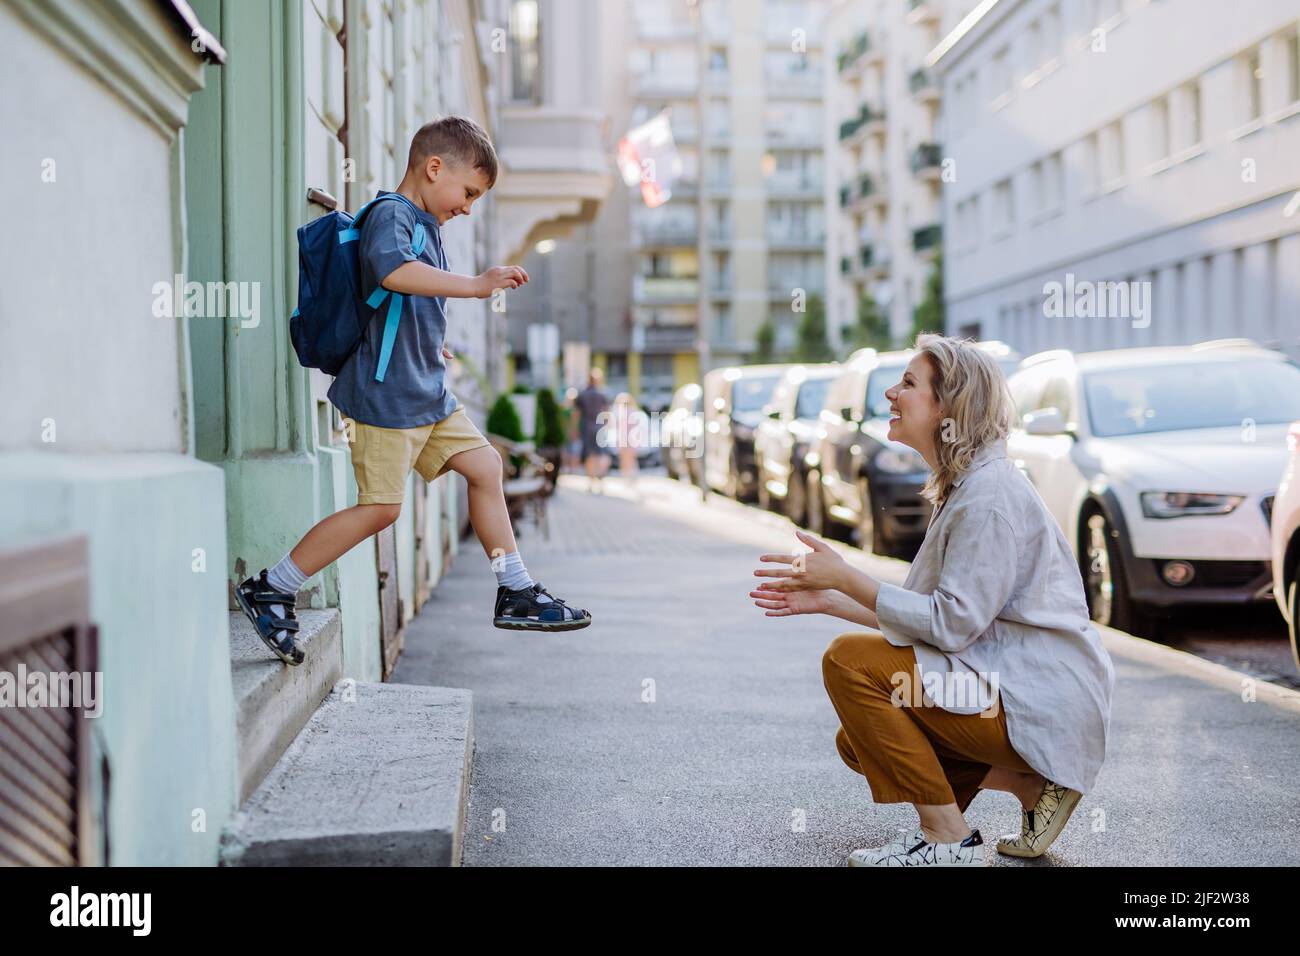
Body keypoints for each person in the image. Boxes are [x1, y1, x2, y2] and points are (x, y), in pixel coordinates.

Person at [234, 116, 592, 667]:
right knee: (380, 509)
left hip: (425, 390)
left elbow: (410, 302)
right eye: (468, 191)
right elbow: (392, 272)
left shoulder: (428, 227)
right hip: (386, 398)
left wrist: (433, 342)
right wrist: (476, 286)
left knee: (486, 467)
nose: (469, 205)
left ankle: (513, 586)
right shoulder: (392, 213)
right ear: (432, 168)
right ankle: (273, 586)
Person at [750, 333, 1115, 867]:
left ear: (950, 406)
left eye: (909, 384)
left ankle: (948, 837)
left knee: (849, 663)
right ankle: (1030, 786)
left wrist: (849, 578)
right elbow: (927, 615)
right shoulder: (970, 484)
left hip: (1036, 698)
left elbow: (948, 626)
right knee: (859, 741)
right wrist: (830, 597)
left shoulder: (988, 497)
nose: (891, 395)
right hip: (1012, 686)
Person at [575, 368, 612, 493]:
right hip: (599, 428)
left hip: (587, 427)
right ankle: (600, 481)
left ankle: (591, 482)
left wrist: (574, 429)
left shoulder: (582, 394)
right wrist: (607, 425)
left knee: (589, 455)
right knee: (601, 454)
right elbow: (607, 412)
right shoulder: (602, 394)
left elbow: (577, 414)